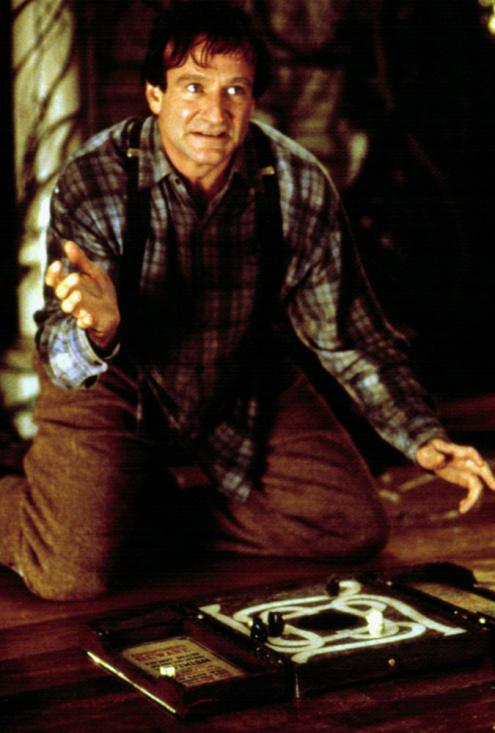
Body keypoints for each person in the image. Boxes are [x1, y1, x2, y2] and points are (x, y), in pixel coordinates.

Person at [1, 0, 493, 601]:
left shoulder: (295, 182)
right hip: (115, 377)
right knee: (67, 576)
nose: (215, 113)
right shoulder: (97, 177)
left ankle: (130, 522)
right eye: (193, 87)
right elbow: (60, 354)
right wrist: (96, 332)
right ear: (155, 95)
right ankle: (54, 517)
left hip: (239, 366)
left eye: (234, 90)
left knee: (349, 526)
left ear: (253, 101)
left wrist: (421, 437)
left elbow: (346, 334)